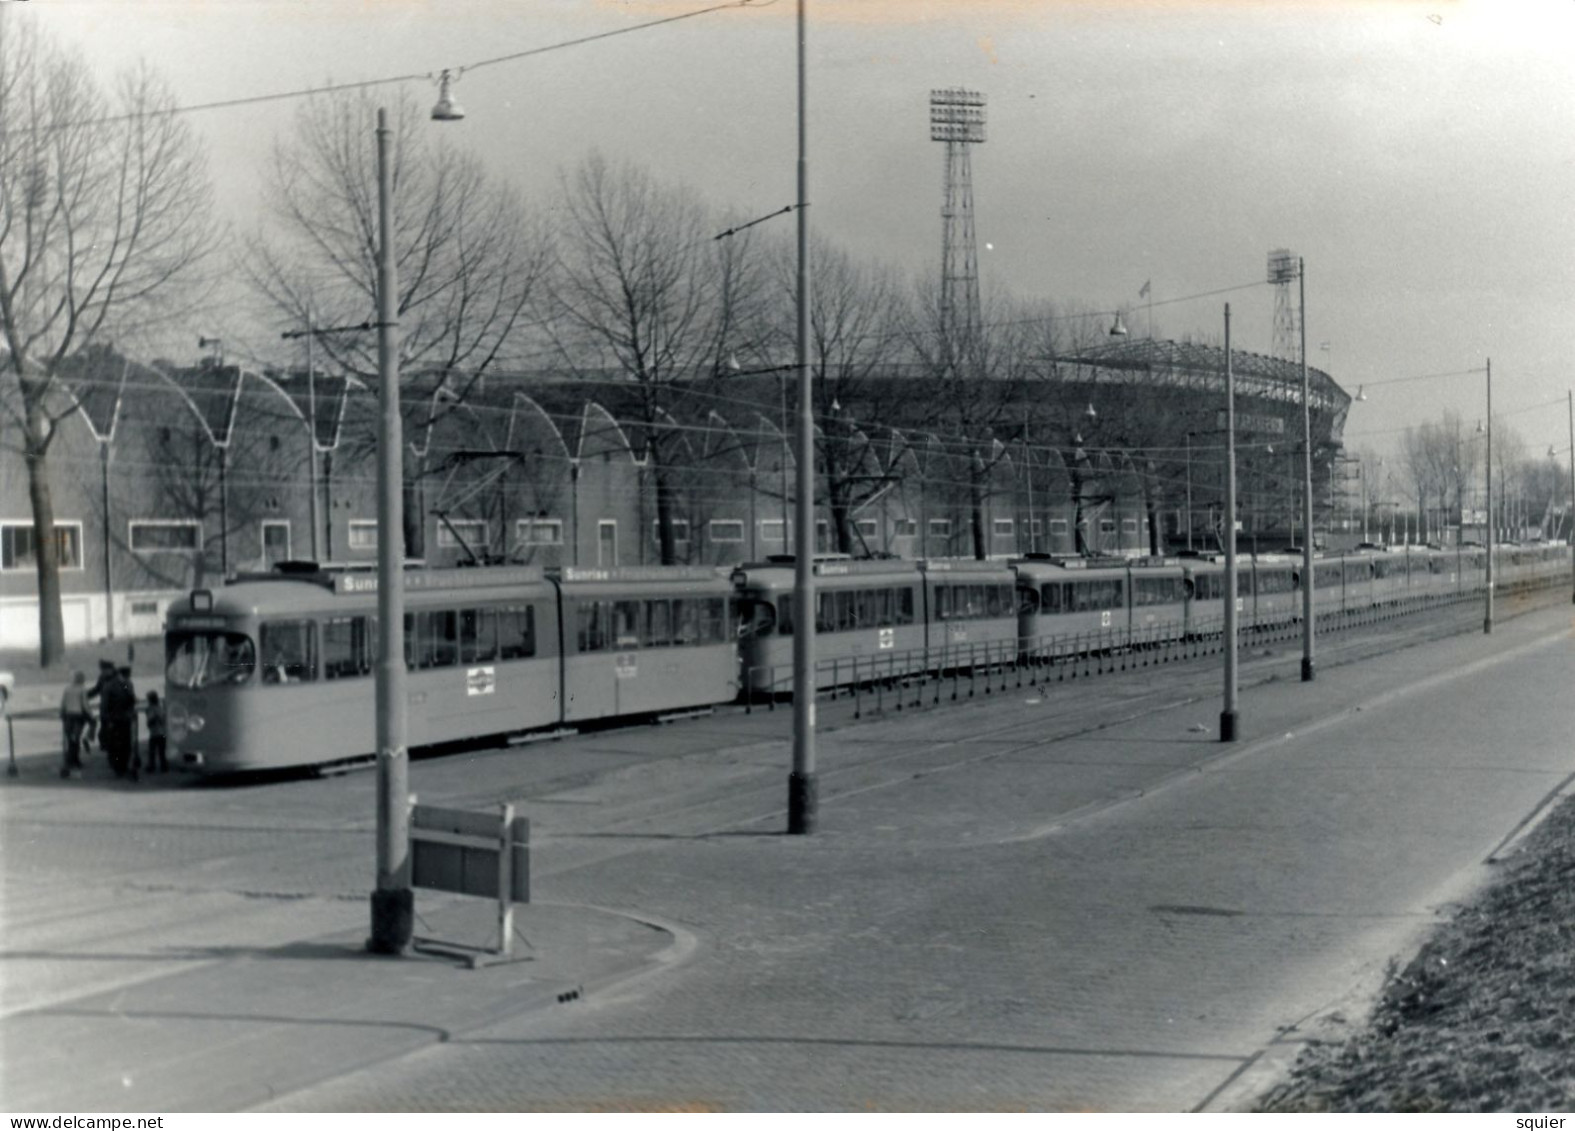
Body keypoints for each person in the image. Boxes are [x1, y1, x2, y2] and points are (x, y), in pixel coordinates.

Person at [101, 665, 139, 780]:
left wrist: (105, 719)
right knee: (121, 744)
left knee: (119, 744)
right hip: (121, 718)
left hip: (118, 719)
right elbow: (131, 699)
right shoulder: (122, 684)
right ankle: (120, 767)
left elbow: (104, 705)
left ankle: (119, 766)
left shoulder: (111, 685)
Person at [58, 671, 90, 779]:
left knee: (70, 739)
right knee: (75, 739)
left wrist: (62, 713)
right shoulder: (82, 689)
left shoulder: (67, 689)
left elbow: (63, 703)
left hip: (68, 716)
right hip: (78, 717)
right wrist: (90, 716)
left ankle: (73, 760)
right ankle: (71, 761)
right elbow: (85, 705)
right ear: (82, 680)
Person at [84, 659, 115, 754]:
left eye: (104, 670)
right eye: (102, 670)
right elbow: (97, 689)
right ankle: (106, 747)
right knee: (104, 729)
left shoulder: (118, 677)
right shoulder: (102, 678)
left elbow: (125, 686)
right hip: (105, 708)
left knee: (112, 730)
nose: (102, 672)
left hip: (116, 708)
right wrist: (85, 695)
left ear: (110, 669)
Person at [144, 691, 168, 774]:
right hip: (162, 732)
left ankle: (152, 766)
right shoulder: (160, 708)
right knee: (162, 751)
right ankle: (163, 766)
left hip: (155, 733)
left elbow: (150, 720)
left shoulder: (151, 708)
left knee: (152, 751)